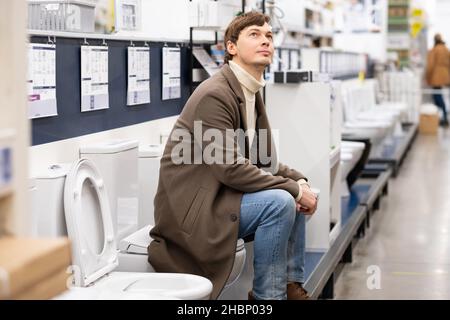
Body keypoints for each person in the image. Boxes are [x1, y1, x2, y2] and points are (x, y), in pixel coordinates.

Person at [148, 12, 318, 300]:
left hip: (222, 195)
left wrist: (299, 181)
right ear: (231, 47)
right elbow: (230, 169)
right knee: (280, 201)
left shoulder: (249, 92)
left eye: (269, 36)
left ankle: (291, 286)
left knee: (295, 191)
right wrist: (291, 189)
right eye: (254, 34)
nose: (265, 40)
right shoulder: (215, 95)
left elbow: (266, 161)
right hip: (193, 211)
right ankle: (268, 298)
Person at [426, 33, 450, 126]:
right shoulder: (446, 50)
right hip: (446, 76)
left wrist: (427, 78)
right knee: (440, 95)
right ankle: (443, 115)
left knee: (437, 96)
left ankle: (442, 115)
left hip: (436, 76)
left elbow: (430, 66)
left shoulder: (434, 50)